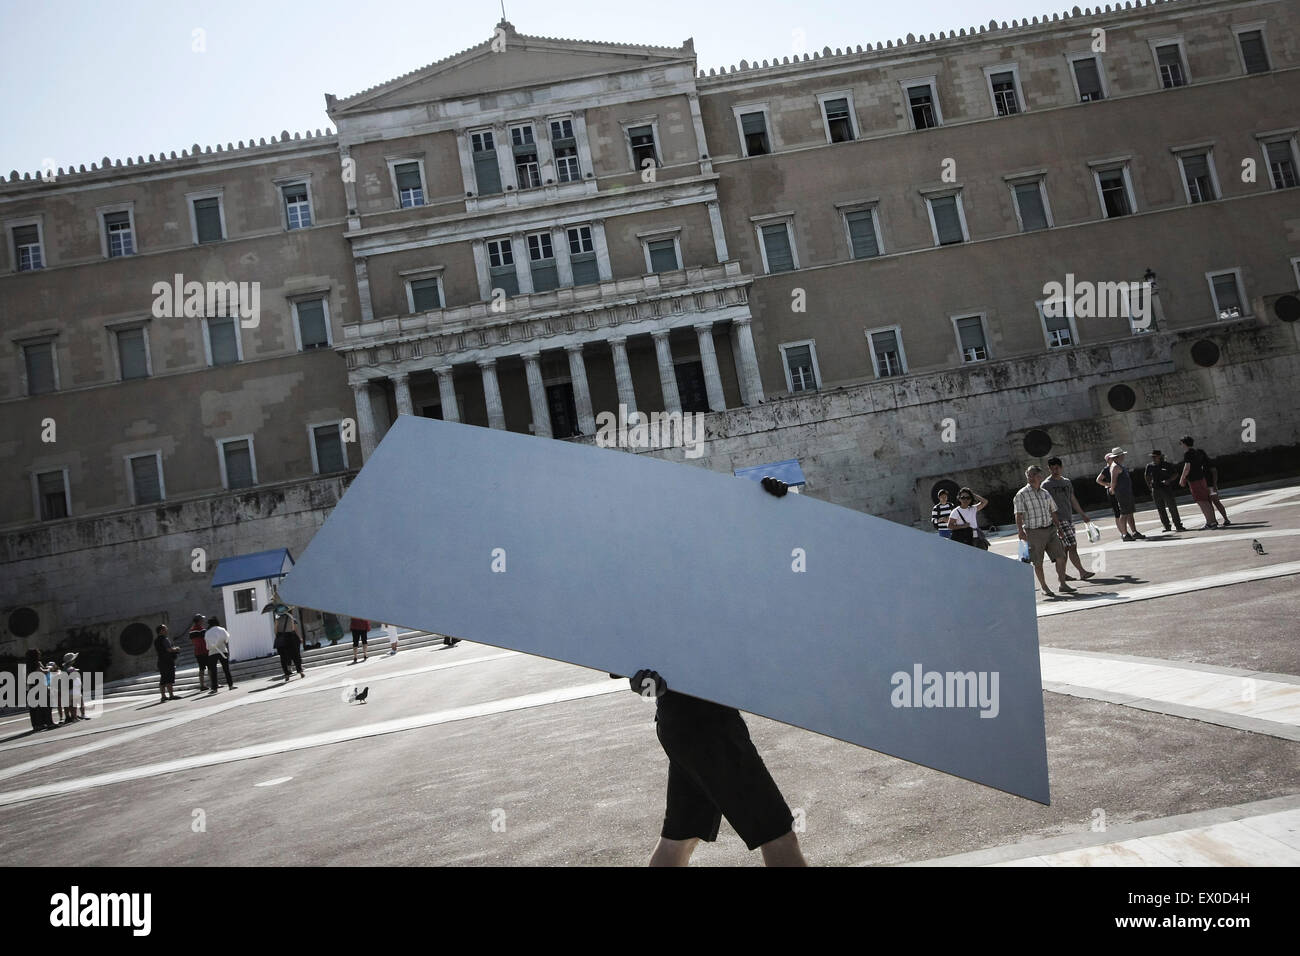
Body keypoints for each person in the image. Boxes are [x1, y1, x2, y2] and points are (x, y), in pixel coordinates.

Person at [629, 475, 806, 867]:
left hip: (688, 725)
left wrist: (771, 508)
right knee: (777, 832)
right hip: (704, 725)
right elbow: (623, 659)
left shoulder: (699, 578)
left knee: (681, 838)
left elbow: (767, 570)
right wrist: (643, 680)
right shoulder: (658, 589)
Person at [1014, 464, 1074, 598]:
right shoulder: (1021, 494)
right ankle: (1044, 587)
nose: (1030, 477)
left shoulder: (1045, 493)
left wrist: (1059, 528)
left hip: (1050, 529)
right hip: (1033, 532)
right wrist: (1020, 531)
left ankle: (1062, 584)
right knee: (1038, 561)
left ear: (1039, 477)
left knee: (1061, 556)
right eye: (1029, 475)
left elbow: (1052, 511)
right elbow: (1018, 514)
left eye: (1033, 474)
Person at [1042, 458, 1096, 581]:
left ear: (1061, 467)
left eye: (1057, 468)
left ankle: (1063, 574)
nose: (1055, 471)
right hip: (1058, 520)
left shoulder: (1066, 482)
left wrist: (1082, 514)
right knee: (1071, 546)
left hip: (1069, 518)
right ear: (1049, 469)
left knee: (1065, 549)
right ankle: (1081, 572)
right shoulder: (1046, 485)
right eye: (1052, 468)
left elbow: (1072, 499)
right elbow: (1046, 505)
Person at [1104, 447, 1145, 542]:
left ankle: (1134, 532)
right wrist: (1112, 489)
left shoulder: (1119, 465)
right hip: (1122, 493)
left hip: (1126, 492)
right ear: (1118, 456)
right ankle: (1125, 534)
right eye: (1122, 455)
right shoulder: (1115, 467)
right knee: (1124, 513)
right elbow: (1113, 481)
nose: (1123, 456)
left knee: (1129, 513)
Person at [1177, 436, 1218, 529]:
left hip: (1194, 480)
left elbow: (1187, 467)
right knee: (1206, 501)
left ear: (1184, 444)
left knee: (1201, 501)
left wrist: (1182, 479)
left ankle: (1209, 522)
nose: (1181, 446)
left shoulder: (1188, 454)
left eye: (1181, 444)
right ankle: (1213, 521)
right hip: (1202, 478)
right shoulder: (1197, 452)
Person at [1144, 450, 1186, 533]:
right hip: (1155, 490)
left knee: (1172, 507)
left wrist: (1169, 480)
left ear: (1160, 456)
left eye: (1154, 456)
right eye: (1152, 457)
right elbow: (1147, 476)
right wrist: (1149, 486)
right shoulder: (1149, 466)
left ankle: (1178, 525)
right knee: (1160, 509)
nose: (1153, 458)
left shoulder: (1167, 465)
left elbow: (1175, 474)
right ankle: (1167, 526)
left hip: (1166, 489)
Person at [24, 648, 53, 731]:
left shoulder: (28, 665)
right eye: (38, 653)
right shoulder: (37, 663)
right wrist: (49, 668)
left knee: (36, 708)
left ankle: (37, 725)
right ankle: (49, 723)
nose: (40, 654)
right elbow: (43, 672)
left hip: (32, 687)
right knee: (46, 705)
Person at [204, 616, 236, 691]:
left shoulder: (207, 632)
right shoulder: (221, 629)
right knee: (226, 669)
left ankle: (214, 688)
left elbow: (207, 645)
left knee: (213, 671)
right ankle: (230, 685)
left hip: (212, 652)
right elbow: (226, 640)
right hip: (223, 650)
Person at [274, 613, 305, 680]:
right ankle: (300, 671)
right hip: (290, 637)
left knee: (283, 658)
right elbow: (293, 628)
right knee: (295, 655)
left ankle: (286, 674)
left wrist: (279, 635)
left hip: (281, 638)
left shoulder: (277, 618)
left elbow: (275, 630)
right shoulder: (290, 617)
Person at [155, 624, 180, 703]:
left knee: (163, 678)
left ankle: (163, 696)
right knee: (169, 678)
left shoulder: (156, 640)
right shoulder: (165, 639)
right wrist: (176, 649)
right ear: (161, 631)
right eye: (165, 629)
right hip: (168, 661)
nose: (167, 631)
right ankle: (171, 695)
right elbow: (169, 649)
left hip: (161, 661)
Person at [1206, 456, 1232, 528]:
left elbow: (1214, 472)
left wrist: (1214, 484)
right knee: (1209, 505)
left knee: (1216, 502)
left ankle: (1226, 519)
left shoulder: (1208, 463)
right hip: (1205, 487)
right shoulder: (1200, 464)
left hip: (1210, 486)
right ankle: (1213, 520)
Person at [188, 613, 209, 692]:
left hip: (197, 651)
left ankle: (202, 685)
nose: (203, 620)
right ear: (199, 621)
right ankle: (214, 683)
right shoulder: (202, 629)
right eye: (202, 619)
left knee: (201, 669)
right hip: (204, 650)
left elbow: (193, 641)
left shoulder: (191, 630)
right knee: (210, 667)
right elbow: (206, 639)